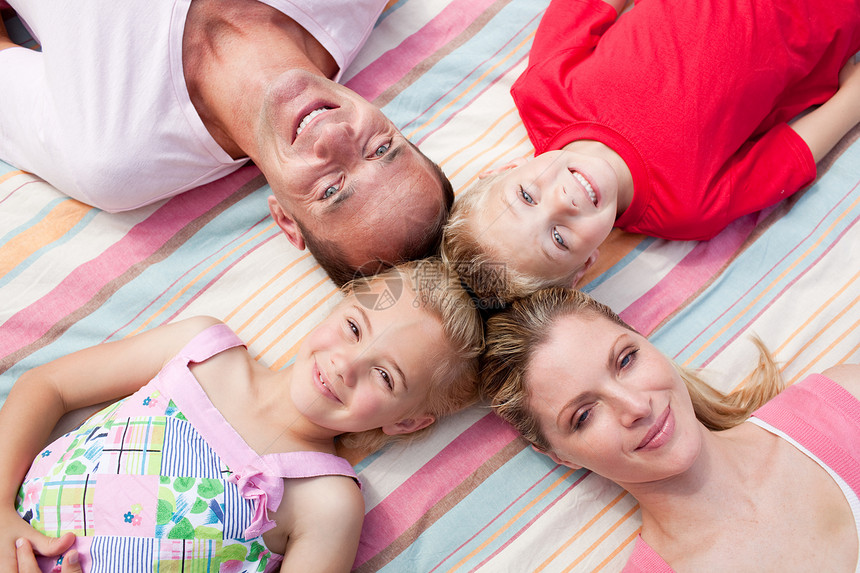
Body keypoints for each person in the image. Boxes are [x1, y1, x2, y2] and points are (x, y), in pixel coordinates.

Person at [0, 258, 484, 572]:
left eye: (385, 376)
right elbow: (47, 386)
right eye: (354, 327)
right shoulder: (201, 350)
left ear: (405, 422)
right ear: (335, 308)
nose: (346, 364)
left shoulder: (326, 501)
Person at [0, 0, 454, 286]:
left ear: (285, 219)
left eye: (331, 190)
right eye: (380, 149)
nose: (332, 135)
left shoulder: (113, 156)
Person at [442, 0, 860, 304]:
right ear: (587, 263)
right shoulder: (685, 209)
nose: (562, 202)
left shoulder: (544, 91)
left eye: (526, 197)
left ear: (505, 168)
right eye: (558, 237)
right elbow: (787, 157)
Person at [480, 286, 859, 572]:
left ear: (650, 344)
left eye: (626, 359)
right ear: (558, 456)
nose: (637, 406)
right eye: (583, 415)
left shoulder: (846, 402)